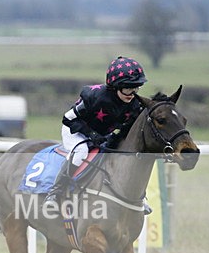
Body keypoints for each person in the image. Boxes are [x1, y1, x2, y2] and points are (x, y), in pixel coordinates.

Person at [45, 56, 147, 205]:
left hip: (101, 134)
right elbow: (68, 119)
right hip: (75, 130)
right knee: (81, 152)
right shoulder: (94, 96)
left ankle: (138, 198)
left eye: (135, 88)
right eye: (127, 88)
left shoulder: (135, 104)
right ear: (115, 86)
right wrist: (91, 134)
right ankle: (55, 192)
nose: (132, 94)